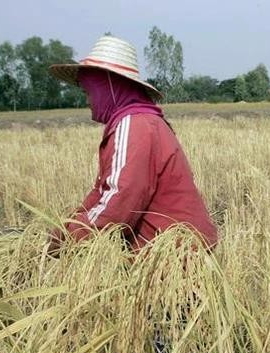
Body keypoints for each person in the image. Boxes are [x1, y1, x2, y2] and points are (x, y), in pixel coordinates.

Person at [47, 35, 217, 254]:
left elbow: (119, 203)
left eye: (89, 92)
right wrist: (69, 224)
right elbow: (102, 190)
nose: (87, 101)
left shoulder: (133, 125)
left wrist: (67, 239)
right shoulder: (142, 120)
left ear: (108, 87)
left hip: (173, 255)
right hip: (177, 248)